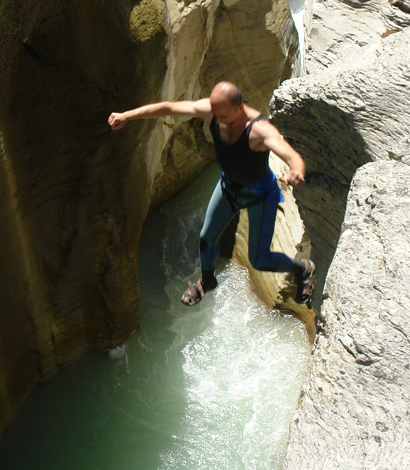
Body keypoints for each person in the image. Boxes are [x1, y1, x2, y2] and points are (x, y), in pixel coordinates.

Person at [108, 82, 316, 306]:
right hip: (229, 187)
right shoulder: (212, 111)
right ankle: (206, 281)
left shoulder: (259, 130)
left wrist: (297, 171)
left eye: (223, 115)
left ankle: (303, 269)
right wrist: (127, 115)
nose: (217, 120)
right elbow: (168, 108)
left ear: (239, 107)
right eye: (215, 113)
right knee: (207, 238)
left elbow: (290, 154)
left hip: (260, 195)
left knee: (259, 259)